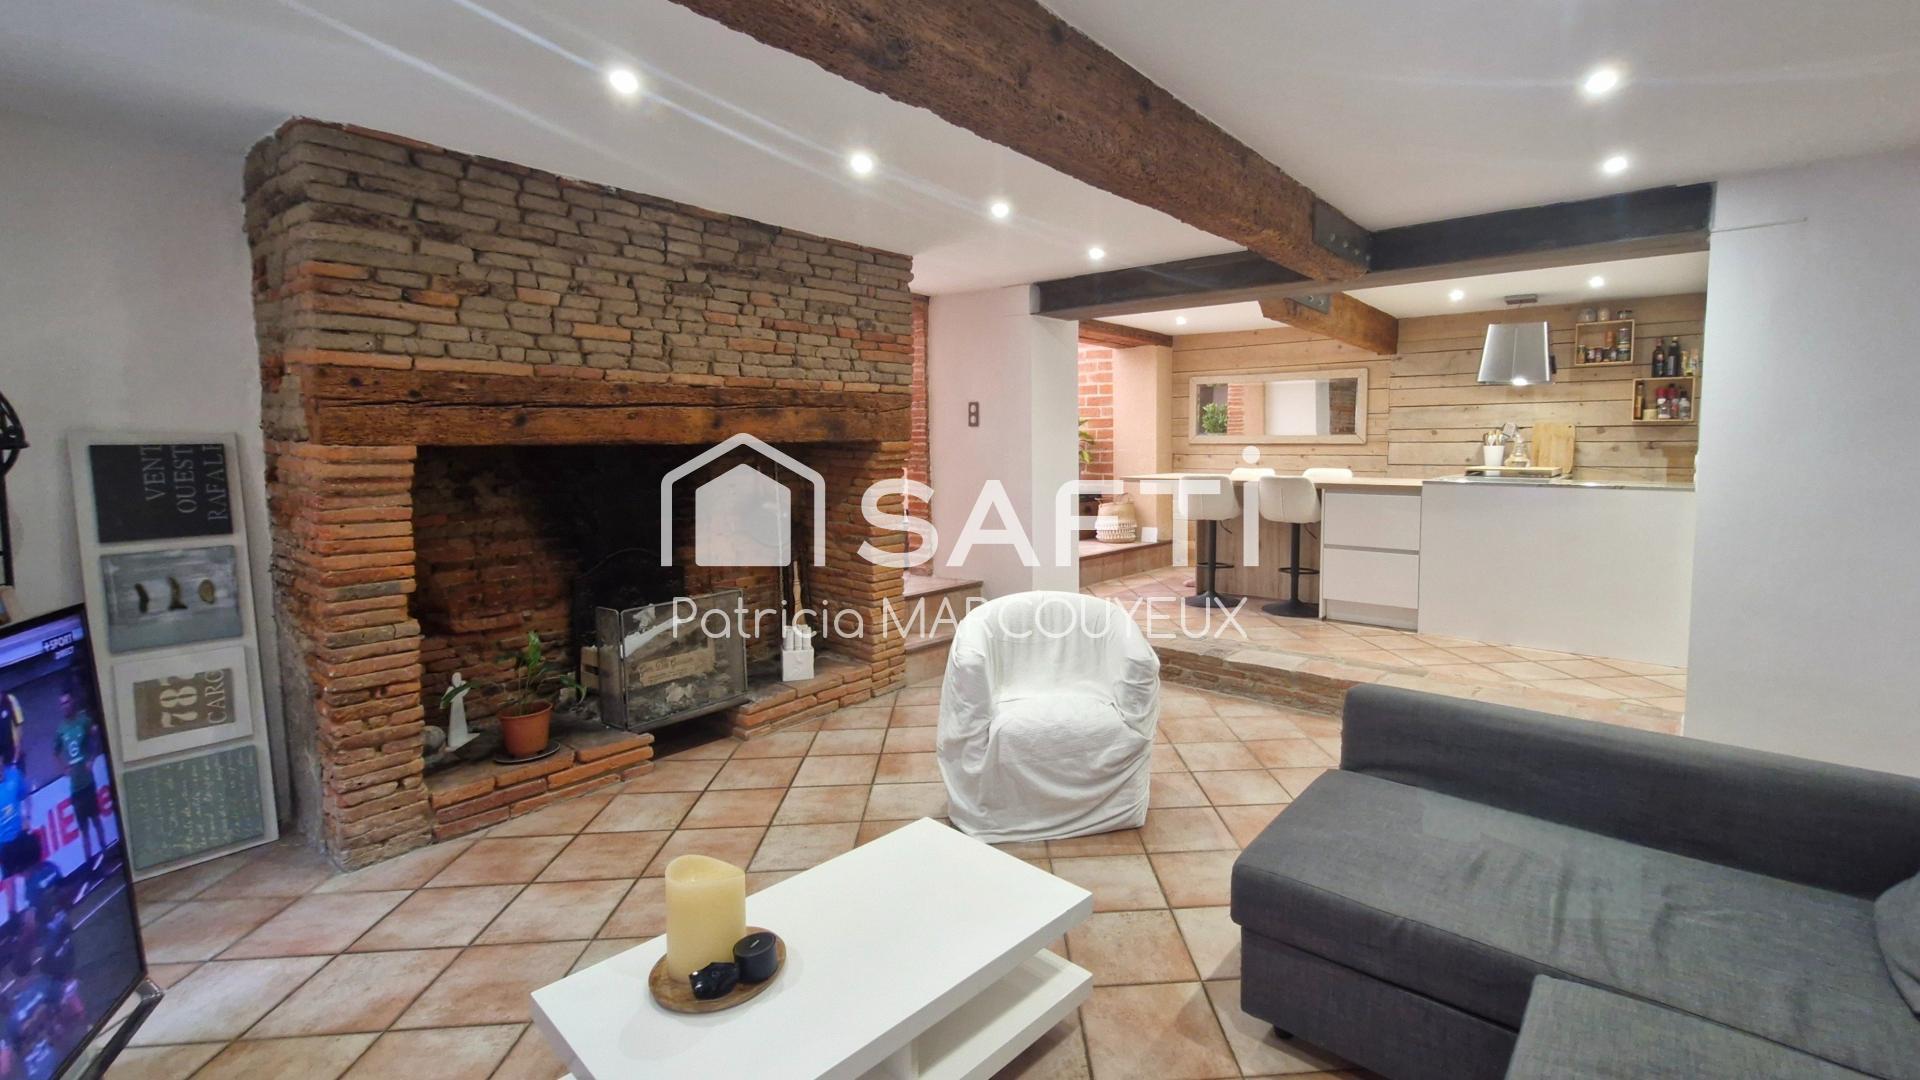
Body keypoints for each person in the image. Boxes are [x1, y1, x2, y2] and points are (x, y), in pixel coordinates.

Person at [51, 696, 104, 867]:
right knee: (84, 830)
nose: (64, 706)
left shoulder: (83, 721)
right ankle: (91, 866)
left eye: (67, 702)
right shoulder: (61, 729)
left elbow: (96, 735)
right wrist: (64, 768)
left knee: (97, 821)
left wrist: (92, 758)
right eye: (62, 704)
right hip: (76, 789)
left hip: (88, 782)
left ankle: (105, 855)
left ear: (72, 703)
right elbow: (55, 752)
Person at [0, 756, 32, 923]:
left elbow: (25, 795)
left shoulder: (14, 775)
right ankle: (13, 918)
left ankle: (33, 903)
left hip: (19, 835)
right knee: (9, 879)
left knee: (27, 871)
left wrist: (27, 816)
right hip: (3, 842)